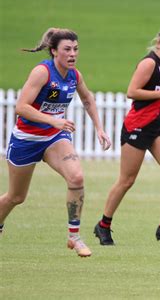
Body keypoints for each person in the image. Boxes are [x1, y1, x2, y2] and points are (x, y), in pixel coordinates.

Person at [0, 28, 111, 257]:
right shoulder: (42, 72)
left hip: (54, 137)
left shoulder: (74, 75)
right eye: (67, 50)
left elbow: (88, 99)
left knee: (76, 177)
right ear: (54, 51)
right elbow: (21, 107)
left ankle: (74, 237)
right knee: (16, 197)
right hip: (26, 139)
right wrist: (53, 120)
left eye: (76, 49)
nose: (73, 54)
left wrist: (100, 129)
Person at [93, 26, 160, 246]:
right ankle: (103, 225)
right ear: (159, 43)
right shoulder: (149, 63)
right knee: (127, 180)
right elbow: (132, 92)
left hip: (157, 124)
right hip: (137, 126)